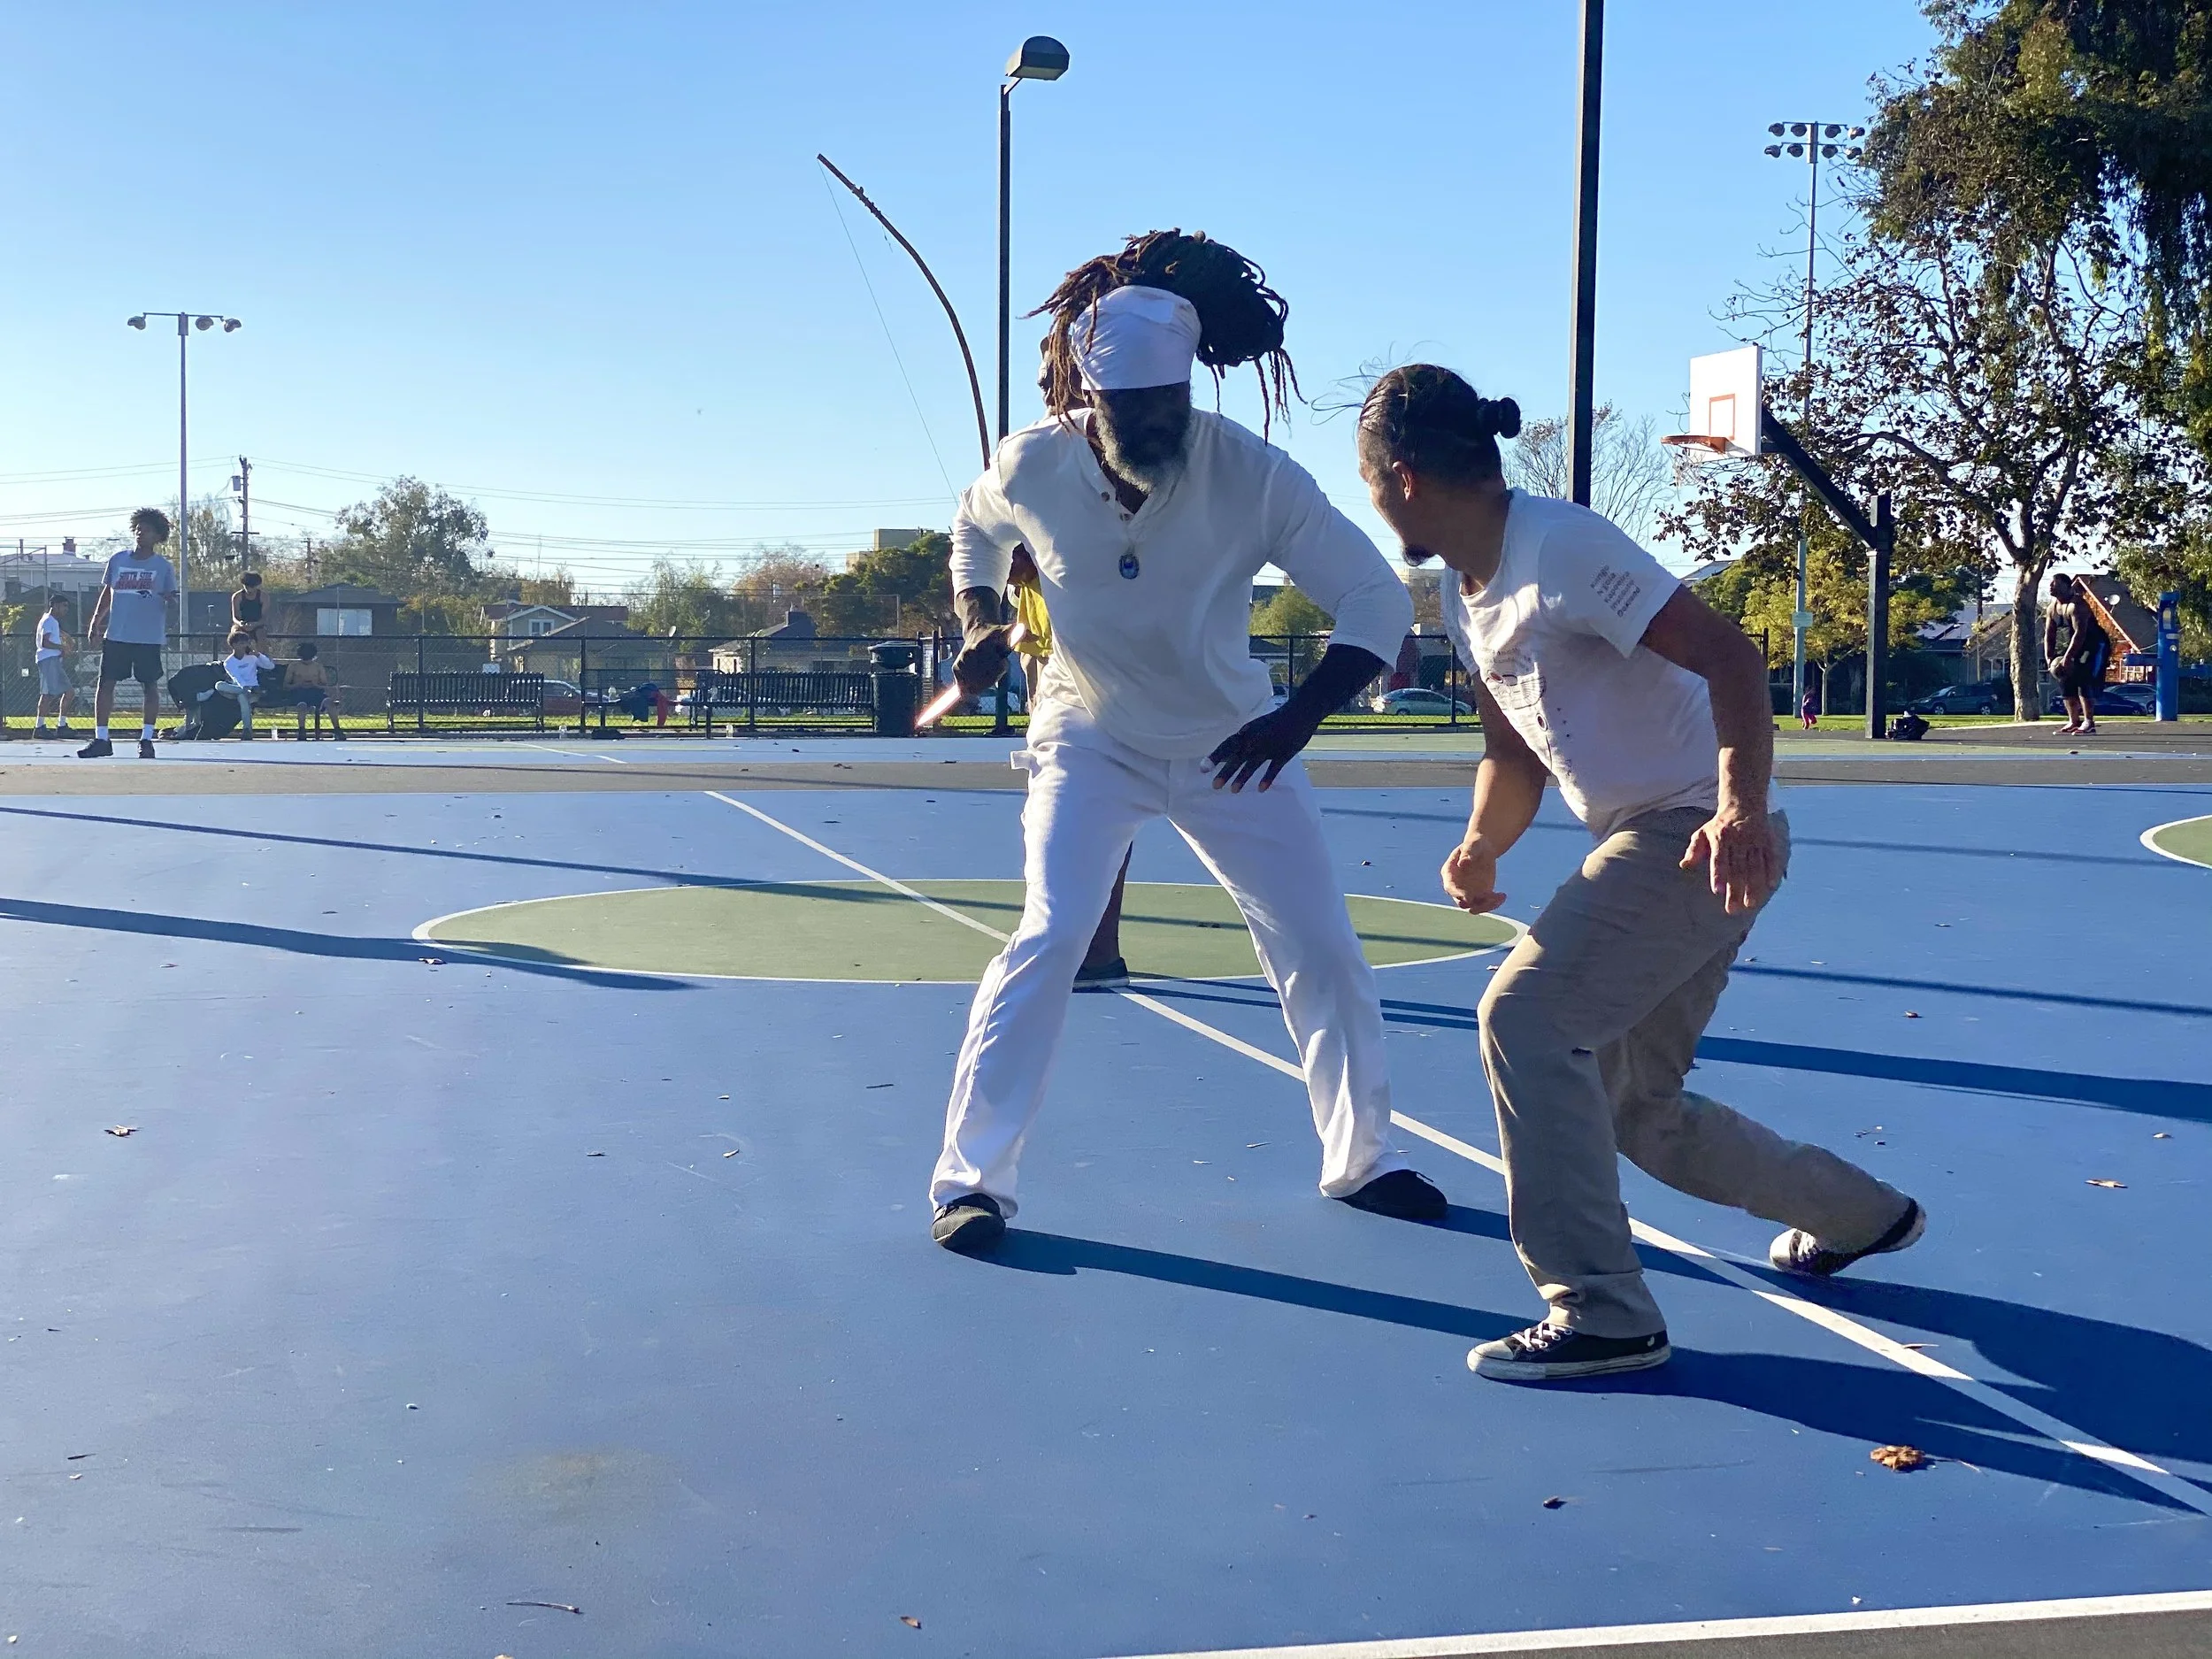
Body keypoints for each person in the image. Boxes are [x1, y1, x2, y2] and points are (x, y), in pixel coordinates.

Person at [1358, 365, 1923, 1383]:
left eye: (1365, 487)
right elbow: (1513, 751)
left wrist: (1741, 808)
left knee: (1522, 1018)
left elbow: (1733, 658)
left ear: (1398, 477)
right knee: (1635, 1113)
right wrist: (1484, 843)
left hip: (1693, 836)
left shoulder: (1561, 545)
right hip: (1653, 839)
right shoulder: (1459, 586)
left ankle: (1601, 1309)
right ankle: (1862, 1215)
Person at [927, 229, 1448, 1253]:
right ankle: (972, 1183)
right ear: (1093, 400)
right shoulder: (1033, 461)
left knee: (1321, 949)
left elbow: (1373, 597)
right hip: (1090, 734)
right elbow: (972, 528)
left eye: (1169, 404)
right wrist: (981, 616)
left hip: (1234, 742)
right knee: (1048, 936)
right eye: (1130, 409)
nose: (1153, 423)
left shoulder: (1254, 476)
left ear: (1189, 392)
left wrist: (1295, 720)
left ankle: (1363, 1159)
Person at [1009, 542, 1133, 991]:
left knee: (1095, 813)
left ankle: (1097, 946)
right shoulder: (1030, 588)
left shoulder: (1070, 572)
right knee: (1061, 818)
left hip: (1097, 700)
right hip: (1054, 698)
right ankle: (1085, 943)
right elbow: (1030, 644)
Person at [78, 508, 179, 759]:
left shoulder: (163, 567)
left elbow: (172, 600)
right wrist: (96, 622)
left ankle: (146, 739)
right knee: (106, 683)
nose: (140, 532)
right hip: (117, 635)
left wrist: (171, 600)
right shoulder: (118, 560)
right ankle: (102, 739)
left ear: (158, 536)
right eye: (138, 528)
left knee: (149, 686)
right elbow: (108, 593)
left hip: (148, 637)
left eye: (146, 529)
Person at [2044, 572, 2110, 736]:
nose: (2052, 587)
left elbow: (2079, 634)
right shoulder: (2052, 608)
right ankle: (2074, 721)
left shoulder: (2077, 605)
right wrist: (2049, 657)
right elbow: (2049, 634)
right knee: (2064, 676)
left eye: (2056, 584)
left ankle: (2089, 722)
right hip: (2077, 646)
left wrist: (2068, 657)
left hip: (2095, 645)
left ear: (2068, 587)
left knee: (2084, 676)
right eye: (2051, 584)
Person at [211, 631, 276, 739]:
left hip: (250, 693)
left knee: (242, 697)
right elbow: (236, 677)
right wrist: (246, 688)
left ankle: (247, 730)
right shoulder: (229, 662)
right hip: (237, 689)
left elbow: (270, 666)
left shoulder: (252, 658)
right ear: (234, 645)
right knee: (219, 685)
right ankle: (248, 693)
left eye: (246, 643)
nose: (245, 645)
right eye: (241, 643)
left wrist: (258, 654)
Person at [283, 641, 347, 739]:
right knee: (302, 705)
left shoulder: (318, 667)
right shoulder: (294, 666)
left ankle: (337, 730)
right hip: (299, 692)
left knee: (329, 702)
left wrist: (315, 684)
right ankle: (302, 731)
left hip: (316, 692)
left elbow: (325, 685)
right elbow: (286, 685)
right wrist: (298, 684)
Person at [33, 595, 75, 738]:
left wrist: (65, 637)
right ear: (55, 606)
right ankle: (39, 727)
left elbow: (51, 634)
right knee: (47, 694)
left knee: (69, 692)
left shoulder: (52, 622)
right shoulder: (49, 621)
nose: (66, 609)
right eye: (64, 606)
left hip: (54, 660)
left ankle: (61, 726)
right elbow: (44, 643)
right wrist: (62, 647)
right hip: (48, 660)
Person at [231, 572, 265, 644]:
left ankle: (259, 655)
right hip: (241, 625)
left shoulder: (264, 597)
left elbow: (264, 618)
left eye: (252, 587)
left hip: (258, 626)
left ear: (257, 585)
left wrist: (255, 624)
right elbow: (235, 617)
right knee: (235, 634)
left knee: (261, 634)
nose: (249, 589)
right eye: (247, 586)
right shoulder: (237, 597)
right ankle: (238, 654)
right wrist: (240, 624)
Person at [1798, 658, 1822, 730]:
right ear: (1810, 690)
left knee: (1814, 721)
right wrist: (1807, 702)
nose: (1814, 691)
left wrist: (1814, 706)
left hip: (1810, 711)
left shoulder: (1813, 696)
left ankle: (1807, 722)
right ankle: (1804, 731)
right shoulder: (1806, 696)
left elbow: (1814, 704)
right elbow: (1803, 705)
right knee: (1807, 724)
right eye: (1813, 690)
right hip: (1805, 710)